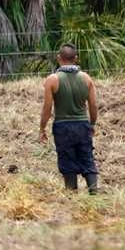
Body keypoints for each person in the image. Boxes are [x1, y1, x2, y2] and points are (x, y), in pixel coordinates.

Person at [40, 43, 99, 194]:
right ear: (76, 59)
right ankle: (94, 192)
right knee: (87, 157)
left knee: (67, 159)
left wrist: (42, 128)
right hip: (82, 125)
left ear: (58, 58)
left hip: (62, 126)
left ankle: (72, 193)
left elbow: (47, 108)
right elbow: (93, 106)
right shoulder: (86, 79)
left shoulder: (52, 80)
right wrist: (92, 124)